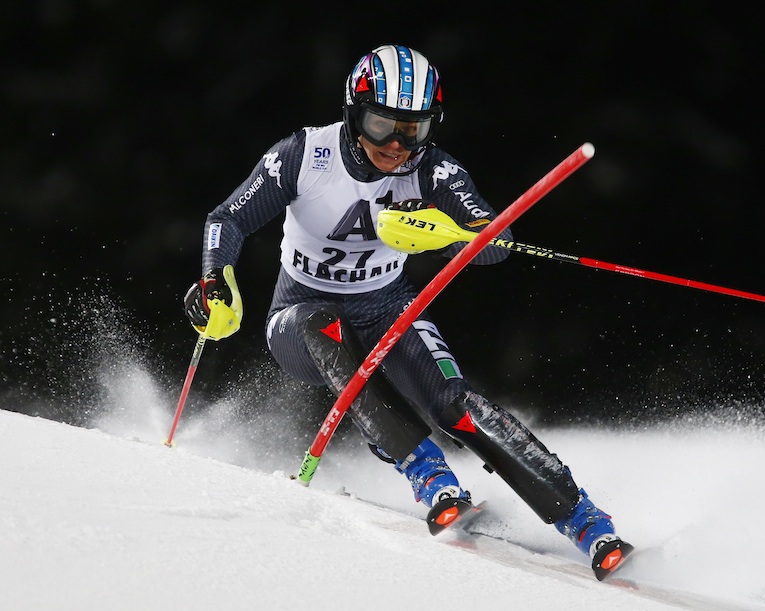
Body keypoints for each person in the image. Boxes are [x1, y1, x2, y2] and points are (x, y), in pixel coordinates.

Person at [183, 44, 632, 580]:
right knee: (322, 331)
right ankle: (430, 477)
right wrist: (214, 278)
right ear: (354, 112)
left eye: (413, 130)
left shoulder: (434, 172)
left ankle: (588, 524)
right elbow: (226, 219)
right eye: (381, 125)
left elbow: (496, 238)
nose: (396, 145)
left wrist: (440, 233)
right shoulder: (305, 154)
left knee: (455, 404)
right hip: (298, 313)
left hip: (388, 307)